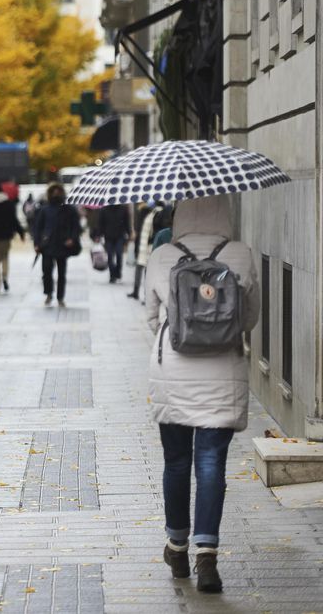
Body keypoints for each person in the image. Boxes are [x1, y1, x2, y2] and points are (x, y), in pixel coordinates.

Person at [144, 195, 258, 594]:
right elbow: (249, 318)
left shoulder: (161, 255)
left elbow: (150, 317)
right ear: (223, 211)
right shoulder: (240, 253)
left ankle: (176, 545)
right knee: (211, 463)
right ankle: (206, 556)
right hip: (223, 372)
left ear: (181, 215)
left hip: (172, 374)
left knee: (176, 462)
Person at [31, 183, 81, 307]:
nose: (56, 194)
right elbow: (38, 228)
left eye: (58, 191)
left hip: (62, 244)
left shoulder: (69, 209)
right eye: (54, 191)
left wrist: (72, 239)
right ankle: (48, 293)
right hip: (47, 244)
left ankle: (60, 297)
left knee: (61, 273)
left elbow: (76, 226)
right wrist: (37, 243)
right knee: (47, 271)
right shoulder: (45, 209)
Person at [128, 202, 162, 300]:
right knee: (140, 269)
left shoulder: (157, 213)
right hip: (143, 247)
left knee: (148, 272)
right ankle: (136, 292)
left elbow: (155, 231)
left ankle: (148, 296)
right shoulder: (147, 212)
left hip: (149, 248)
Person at [93, 204, 130, 283]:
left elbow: (127, 222)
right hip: (108, 236)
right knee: (110, 256)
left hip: (120, 236)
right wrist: (98, 235)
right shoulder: (104, 209)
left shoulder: (123, 209)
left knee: (119, 254)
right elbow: (100, 223)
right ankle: (112, 275)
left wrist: (129, 233)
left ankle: (118, 273)